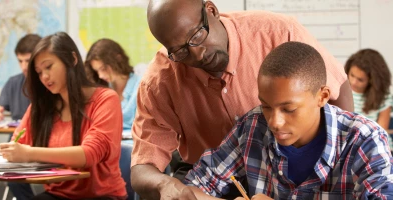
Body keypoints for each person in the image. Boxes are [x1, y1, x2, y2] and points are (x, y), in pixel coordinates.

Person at [130, 0, 354, 199]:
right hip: (209, 174)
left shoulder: (277, 32)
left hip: (284, 169)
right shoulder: (158, 81)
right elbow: (142, 167)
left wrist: (337, 161)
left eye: (197, 35)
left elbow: (336, 84)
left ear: (212, 10)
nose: (197, 54)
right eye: (180, 51)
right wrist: (165, 185)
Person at [184, 41, 393, 199]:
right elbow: (195, 187)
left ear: (322, 97)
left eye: (289, 109)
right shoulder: (252, 126)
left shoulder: (365, 140)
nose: (275, 122)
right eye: (266, 106)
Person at [0, 32, 127, 200]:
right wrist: (13, 152)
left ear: (72, 60)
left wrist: (29, 153)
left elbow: (88, 154)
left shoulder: (105, 99)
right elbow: (18, 144)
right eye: (38, 72)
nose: (44, 77)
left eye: (49, 67)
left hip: (102, 196)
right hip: (57, 195)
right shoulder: (42, 106)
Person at [85, 38, 141, 131]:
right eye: (97, 71)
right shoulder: (103, 89)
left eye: (103, 69)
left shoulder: (141, 86)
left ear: (118, 59)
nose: (100, 75)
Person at [344, 49, 393, 150]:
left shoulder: (383, 97)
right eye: (352, 75)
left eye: (360, 80)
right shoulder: (341, 90)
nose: (353, 82)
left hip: (374, 146)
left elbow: (380, 134)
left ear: (372, 81)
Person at [0, 34, 41, 124]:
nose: (24, 67)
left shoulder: (50, 82)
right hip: (17, 136)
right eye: (20, 61)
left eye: (28, 61)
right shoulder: (13, 83)